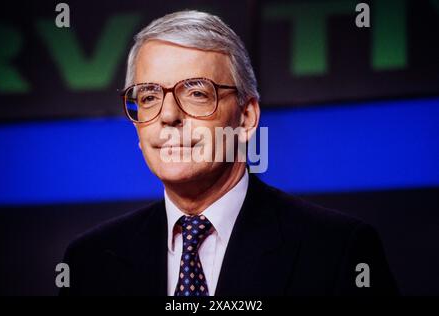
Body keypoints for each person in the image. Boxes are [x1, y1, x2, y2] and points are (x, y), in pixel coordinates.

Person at [60, 10, 398, 296]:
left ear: (246, 117)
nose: (168, 115)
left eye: (195, 93)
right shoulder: (88, 262)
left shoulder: (339, 252)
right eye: (148, 96)